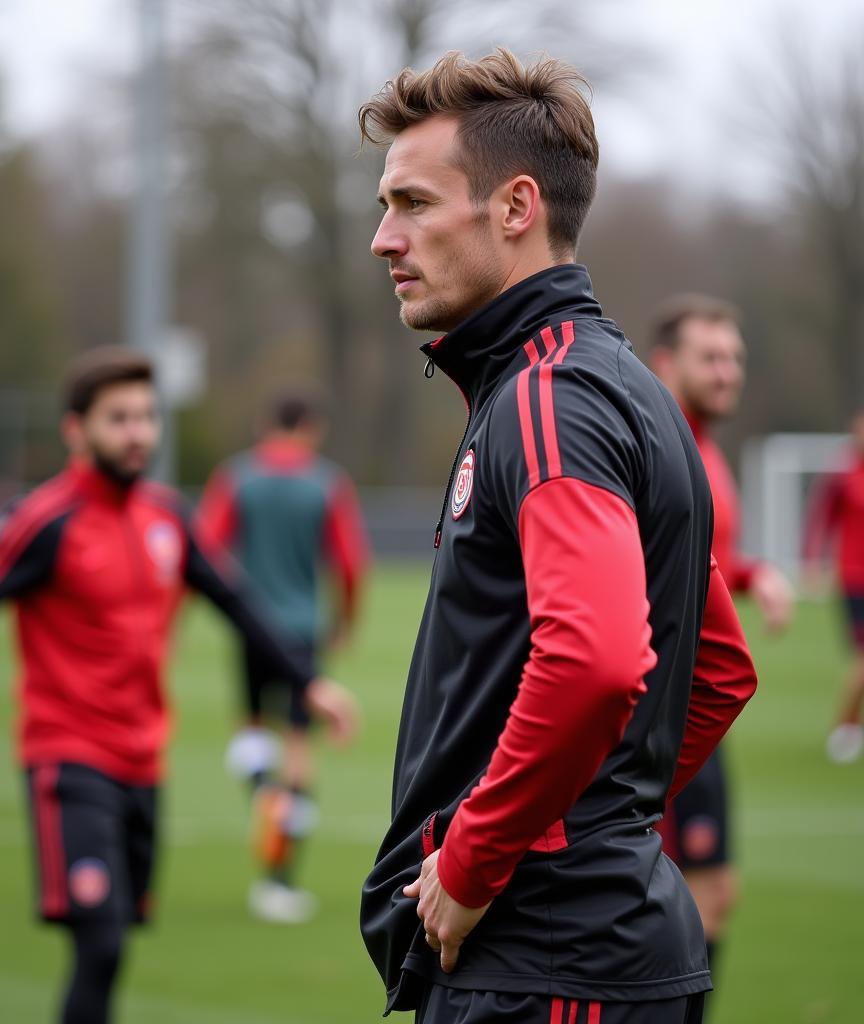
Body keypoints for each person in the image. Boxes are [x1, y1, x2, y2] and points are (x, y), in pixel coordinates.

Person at [357, 49, 758, 1024]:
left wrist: (487, 852)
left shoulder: (548, 399)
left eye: (412, 202)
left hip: (540, 965)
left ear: (513, 207)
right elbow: (714, 668)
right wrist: (596, 817)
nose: (382, 238)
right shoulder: (620, 388)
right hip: (571, 955)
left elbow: (593, 661)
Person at [0, 348, 358, 1024]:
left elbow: (236, 599)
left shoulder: (167, 517)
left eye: (146, 416)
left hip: (144, 760)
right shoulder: (46, 521)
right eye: (119, 418)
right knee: (100, 942)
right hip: (68, 759)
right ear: (75, 430)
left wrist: (309, 682)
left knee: (114, 946)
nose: (138, 432)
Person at [649, 295, 794, 993]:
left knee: (711, 896)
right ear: (665, 363)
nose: (728, 371)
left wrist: (750, 572)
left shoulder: (705, 450)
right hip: (662, 714)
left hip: (700, 710)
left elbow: (698, 560)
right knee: (683, 900)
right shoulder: (660, 449)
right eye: (710, 357)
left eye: (734, 357)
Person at [197, 390, 370, 923]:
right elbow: (348, 562)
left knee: (252, 730)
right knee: (299, 745)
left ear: (264, 422)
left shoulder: (236, 478)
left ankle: (261, 790)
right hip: (301, 631)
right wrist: (344, 623)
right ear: (310, 428)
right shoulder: (326, 483)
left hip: (251, 624)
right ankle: (278, 881)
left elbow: (202, 548)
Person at [804, 409, 864, 762]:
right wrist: (813, 561)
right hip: (855, 579)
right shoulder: (844, 474)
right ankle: (846, 725)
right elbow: (821, 518)